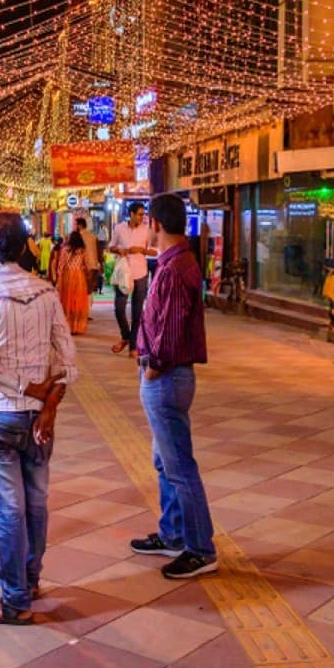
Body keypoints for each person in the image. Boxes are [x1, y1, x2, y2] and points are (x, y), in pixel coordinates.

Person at [0, 212, 77, 625]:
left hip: (0, 418)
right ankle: (28, 581)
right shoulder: (47, 292)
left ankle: (14, 602)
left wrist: (37, 395)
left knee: (11, 510)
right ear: (27, 248)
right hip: (38, 422)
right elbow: (67, 360)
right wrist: (48, 404)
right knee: (38, 503)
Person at [130, 193, 217, 579]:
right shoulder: (172, 263)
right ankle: (173, 533)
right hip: (164, 375)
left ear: (158, 225)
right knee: (164, 462)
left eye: (148, 222)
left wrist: (153, 367)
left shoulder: (176, 267)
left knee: (180, 467)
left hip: (166, 376)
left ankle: (200, 548)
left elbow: (172, 329)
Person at [110, 202, 156, 355]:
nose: (142, 217)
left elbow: (155, 252)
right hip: (124, 274)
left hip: (140, 273)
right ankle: (126, 336)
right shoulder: (119, 228)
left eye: (143, 214)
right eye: (139, 214)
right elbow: (111, 247)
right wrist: (119, 250)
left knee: (137, 313)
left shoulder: (146, 231)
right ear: (131, 214)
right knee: (119, 308)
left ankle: (133, 346)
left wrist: (141, 250)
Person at [55, 231, 91, 334]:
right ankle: (77, 327)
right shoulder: (83, 251)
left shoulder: (65, 250)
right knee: (77, 301)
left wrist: (59, 279)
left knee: (67, 301)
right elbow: (87, 266)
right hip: (79, 277)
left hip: (67, 278)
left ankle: (68, 326)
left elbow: (60, 267)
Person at [76, 217, 102, 296]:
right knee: (89, 290)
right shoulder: (93, 237)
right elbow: (99, 252)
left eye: (76, 225)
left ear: (80, 225)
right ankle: (87, 306)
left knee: (81, 289)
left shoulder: (77, 237)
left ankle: (83, 306)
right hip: (93, 266)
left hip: (81, 266)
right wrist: (101, 264)